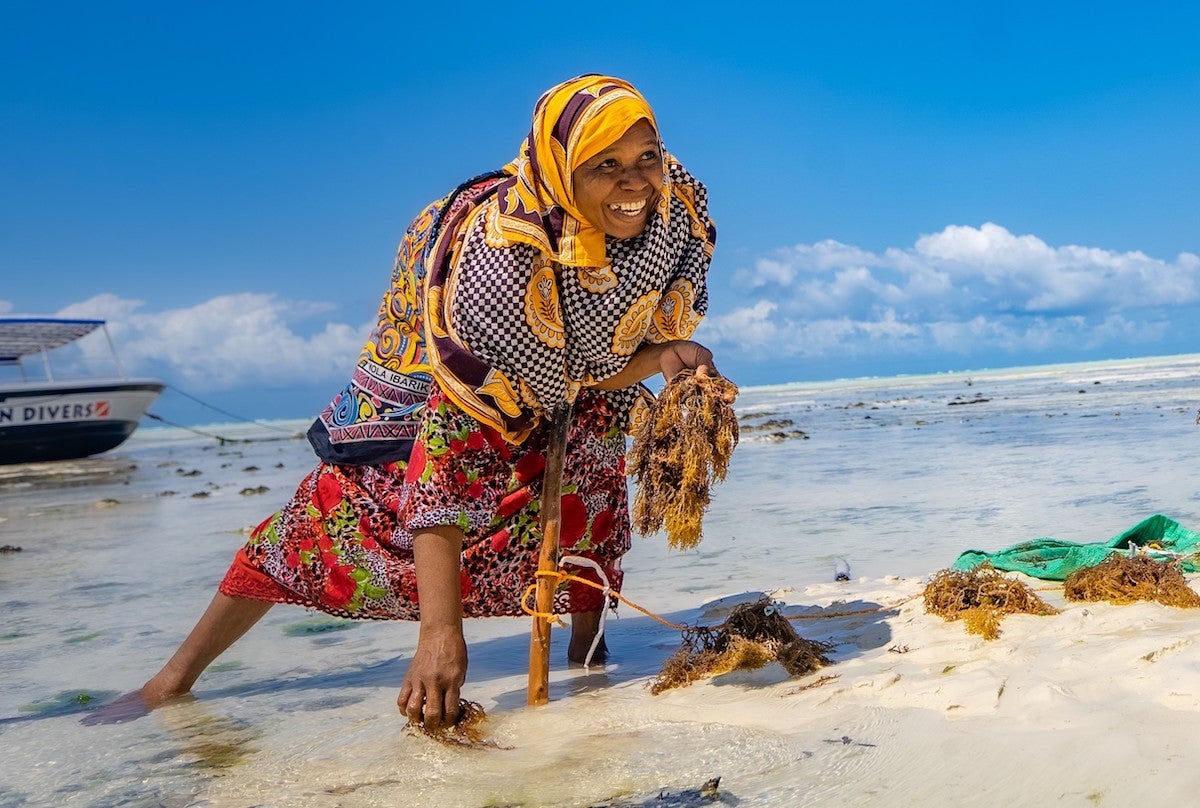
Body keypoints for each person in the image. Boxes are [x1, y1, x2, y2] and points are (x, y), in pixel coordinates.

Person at [105, 74, 721, 731]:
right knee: (334, 523)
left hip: (563, 343)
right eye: (606, 166)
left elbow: (601, 358)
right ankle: (170, 682)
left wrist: (664, 358)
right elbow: (452, 456)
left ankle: (589, 665)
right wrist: (439, 633)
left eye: (645, 158)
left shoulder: (675, 205)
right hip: (447, 349)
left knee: (588, 492)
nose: (634, 182)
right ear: (564, 170)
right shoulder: (496, 274)